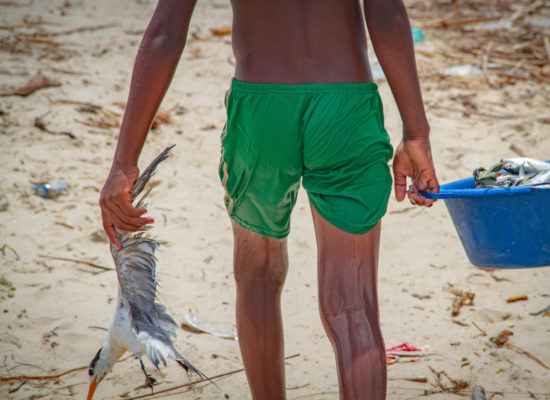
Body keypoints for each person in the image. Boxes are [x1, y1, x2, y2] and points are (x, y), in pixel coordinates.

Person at [99, 0, 439, 398]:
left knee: (258, 277)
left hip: (262, 110)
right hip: (345, 107)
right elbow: (387, 15)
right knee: (352, 306)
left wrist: (125, 161)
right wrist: (416, 133)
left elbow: (165, 32)